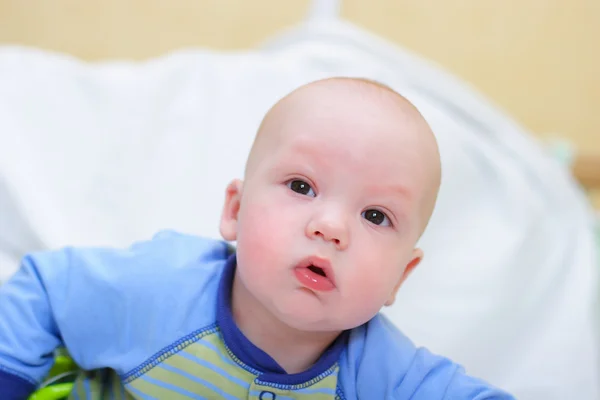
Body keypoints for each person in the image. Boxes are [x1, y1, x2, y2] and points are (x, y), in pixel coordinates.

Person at [0, 77, 514, 399]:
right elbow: (45, 290)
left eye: (376, 216)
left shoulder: (386, 373)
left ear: (399, 278)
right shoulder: (160, 289)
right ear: (236, 211)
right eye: (301, 186)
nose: (330, 228)